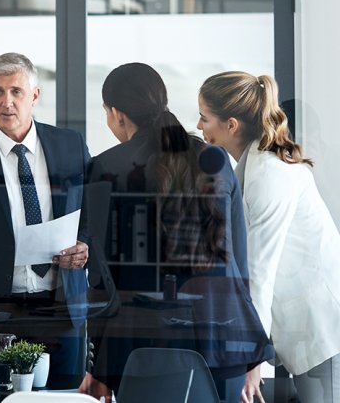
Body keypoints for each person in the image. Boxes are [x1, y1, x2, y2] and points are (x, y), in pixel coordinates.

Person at [80, 63, 272, 403]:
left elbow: (101, 279)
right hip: (222, 342)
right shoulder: (214, 158)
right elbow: (238, 265)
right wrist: (251, 353)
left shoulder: (105, 167)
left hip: (140, 346)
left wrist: (101, 368)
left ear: (116, 114)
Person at [0, 52, 92, 389]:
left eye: (16, 91)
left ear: (35, 96)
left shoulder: (70, 146)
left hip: (59, 307)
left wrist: (86, 247)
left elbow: (93, 214)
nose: (6, 101)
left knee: (60, 397)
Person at [198, 71, 340, 403]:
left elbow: (259, 271)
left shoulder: (269, 174)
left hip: (323, 330)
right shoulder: (249, 169)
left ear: (230, 125)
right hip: (302, 330)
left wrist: (252, 359)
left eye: (205, 118)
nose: (199, 126)